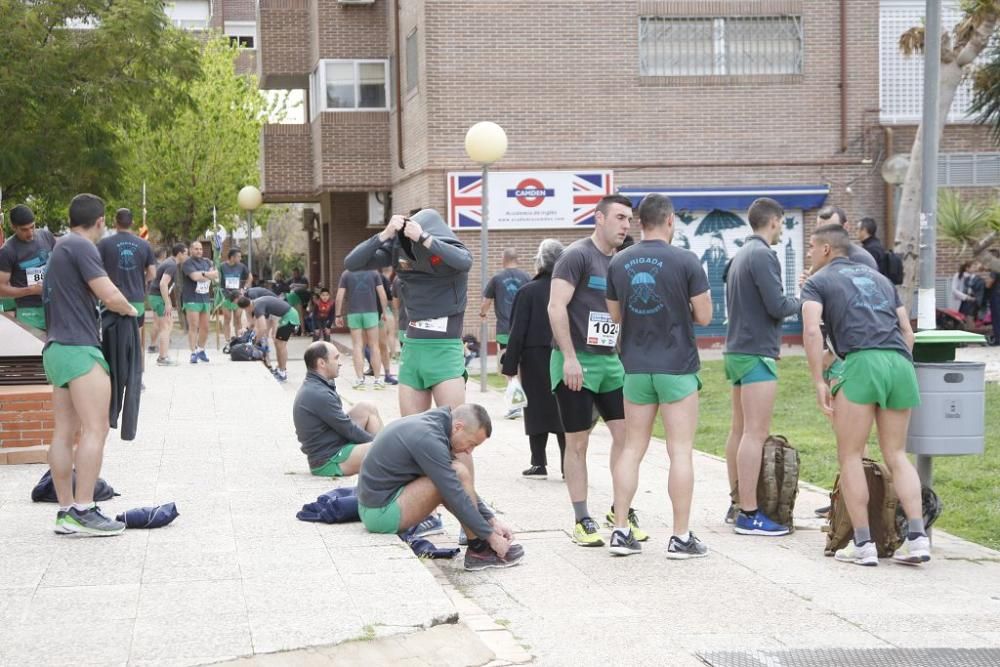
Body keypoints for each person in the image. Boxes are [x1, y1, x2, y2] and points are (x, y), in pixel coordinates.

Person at [801, 223, 930, 566]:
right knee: (897, 454)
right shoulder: (881, 280)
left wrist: (818, 380)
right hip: (899, 363)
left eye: (812, 248)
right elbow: (907, 331)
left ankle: (863, 544)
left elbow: (812, 331)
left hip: (861, 362)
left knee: (851, 456)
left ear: (827, 249)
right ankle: (918, 538)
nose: (809, 254)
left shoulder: (818, 282)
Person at [606, 194, 713, 558]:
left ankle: (620, 530)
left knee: (632, 448)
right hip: (677, 365)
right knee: (679, 450)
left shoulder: (619, 261)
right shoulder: (686, 260)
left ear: (640, 222)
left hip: (635, 366)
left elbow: (615, 315)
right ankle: (680, 537)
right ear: (670, 221)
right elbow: (705, 316)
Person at [42, 193, 137, 535]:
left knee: (65, 432)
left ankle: (66, 511)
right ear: (100, 221)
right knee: (96, 430)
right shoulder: (82, 247)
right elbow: (109, 294)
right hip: (79, 348)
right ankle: (84, 509)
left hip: (56, 349)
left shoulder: (59, 247)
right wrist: (132, 310)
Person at [547, 193, 637, 547]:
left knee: (627, 439)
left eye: (629, 219)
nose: (625, 225)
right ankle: (581, 517)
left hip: (610, 363)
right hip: (576, 361)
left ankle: (620, 512)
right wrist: (569, 357)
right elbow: (556, 307)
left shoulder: (621, 261)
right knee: (578, 442)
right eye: (619, 218)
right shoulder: (576, 256)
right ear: (598, 218)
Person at [357, 404, 524, 570]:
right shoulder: (429, 438)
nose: (469, 451)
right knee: (455, 476)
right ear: (458, 427)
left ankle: (478, 547)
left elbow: (458, 487)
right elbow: (455, 492)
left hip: (380, 504)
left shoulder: (437, 424)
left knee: (455, 475)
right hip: (379, 514)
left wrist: (492, 520)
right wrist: (491, 537)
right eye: (471, 443)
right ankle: (479, 550)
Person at [344, 208, 472, 415]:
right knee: (411, 431)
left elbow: (465, 261)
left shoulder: (447, 249)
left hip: (444, 350)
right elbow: (352, 262)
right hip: (412, 350)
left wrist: (424, 238)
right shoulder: (398, 249)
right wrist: (384, 235)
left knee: (453, 431)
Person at [723, 197, 800, 536]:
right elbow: (777, 305)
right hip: (756, 352)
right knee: (755, 432)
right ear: (773, 221)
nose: (782, 229)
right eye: (782, 223)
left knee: (738, 430)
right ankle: (749, 514)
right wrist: (807, 296)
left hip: (737, 349)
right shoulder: (764, 255)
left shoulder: (740, 254)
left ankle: (737, 501)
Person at [501, 239, 566, 479]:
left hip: (534, 356)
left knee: (536, 408)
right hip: (564, 353)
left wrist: (509, 365)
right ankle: (568, 465)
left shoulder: (527, 291)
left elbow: (517, 330)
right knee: (564, 410)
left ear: (540, 261)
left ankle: (538, 462)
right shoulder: (570, 288)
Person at [294, 341, 383, 476]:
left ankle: (385, 459)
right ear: (321, 363)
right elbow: (348, 429)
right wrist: (382, 444)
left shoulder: (317, 384)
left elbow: (345, 426)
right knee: (384, 449)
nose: (340, 363)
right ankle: (389, 461)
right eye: (336, 358)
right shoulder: (319, 393)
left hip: (333, 444)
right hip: (328, 461)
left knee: (367, 407)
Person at [97, 209, 156, 365]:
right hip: (136, 299)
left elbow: (96, 269)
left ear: (115, 222)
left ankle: (112, 376)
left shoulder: (103, 244)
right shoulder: (144, 244)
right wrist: (141, 280)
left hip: (110, 299)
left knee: (110, 341)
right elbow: (152, 273)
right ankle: (137, 377)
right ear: (133, 223)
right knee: (136, 341)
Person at [481, 248, 531, 417]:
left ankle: (515, 405)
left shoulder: (496, 279)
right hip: (525, 330)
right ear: (517, 259)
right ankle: (525, 403)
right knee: (523, 365)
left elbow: (486, 302)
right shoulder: (526, 278)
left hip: (504, 330)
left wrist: (482, 314)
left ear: (504, 259)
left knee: (507, 366)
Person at [0, 204, 56, 331]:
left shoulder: (46, 236)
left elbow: (60, 262)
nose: (30, 233)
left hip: (53, 305)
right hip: (28, 311)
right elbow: (1, 289)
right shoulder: (7, 251)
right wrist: (30, 290)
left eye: (32, 227)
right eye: (24, 230)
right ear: (14, 227)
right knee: (35, 349)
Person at [335, 269, 387, 389]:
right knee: (374, 346)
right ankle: (378, 380)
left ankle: (359, 380)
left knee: (358, 346)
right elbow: (382, 294)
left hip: (354, 313)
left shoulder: (346, 273)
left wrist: (338, 315)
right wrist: (384, 312)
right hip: (371, 313)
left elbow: (339, 297)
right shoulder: (374, 272)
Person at [236, 294, 300, 382]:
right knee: (278, 343)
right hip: (288, 315)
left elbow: (263, 328)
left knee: (281, 345)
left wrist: (254, 342)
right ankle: (280, 370)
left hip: (290, 317)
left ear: (246, 308)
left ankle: (282, 373)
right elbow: (258, 325)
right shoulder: (256, 302)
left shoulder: (257, 307)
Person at [149, 243, 188, 365]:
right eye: (186, 253)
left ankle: (163, 355)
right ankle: (162, 358)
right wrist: (167, 302)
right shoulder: (171, 265)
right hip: (158, 297)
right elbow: (162, 284)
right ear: (180, 254)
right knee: (165, 327)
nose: (187, 256)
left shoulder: (169, 262)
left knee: (168, 324)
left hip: (155, 296)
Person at [181, 241, 218, 364]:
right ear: (191, 250)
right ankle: (193, 352)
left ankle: (201, 350)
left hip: (205, 298)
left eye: (201, 249)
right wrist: (207, 274)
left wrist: (203, 274)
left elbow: (215, 275)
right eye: (196, 249)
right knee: (193, 326)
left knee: (205, 327)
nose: (199, 251)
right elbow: (195, 277)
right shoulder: (187, 263)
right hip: (191, 298)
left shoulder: (207, 262)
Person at [816, 205, 878, 270]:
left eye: (832, 230)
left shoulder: (860, 259)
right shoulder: (821, 256)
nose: (825, 235)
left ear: (846, 227)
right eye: (820, 231)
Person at [219, 249, 252, 340]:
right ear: (232, 257)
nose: (240, 258)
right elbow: (216, 278)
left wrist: (244, 289)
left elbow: (250, 277)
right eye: (239, 256)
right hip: (226, 296)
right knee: (227, 318)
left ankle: (239, 338)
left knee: (238, 318)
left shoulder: (241, 266)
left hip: (238, 296)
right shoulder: (222, 266)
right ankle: (227, 339)